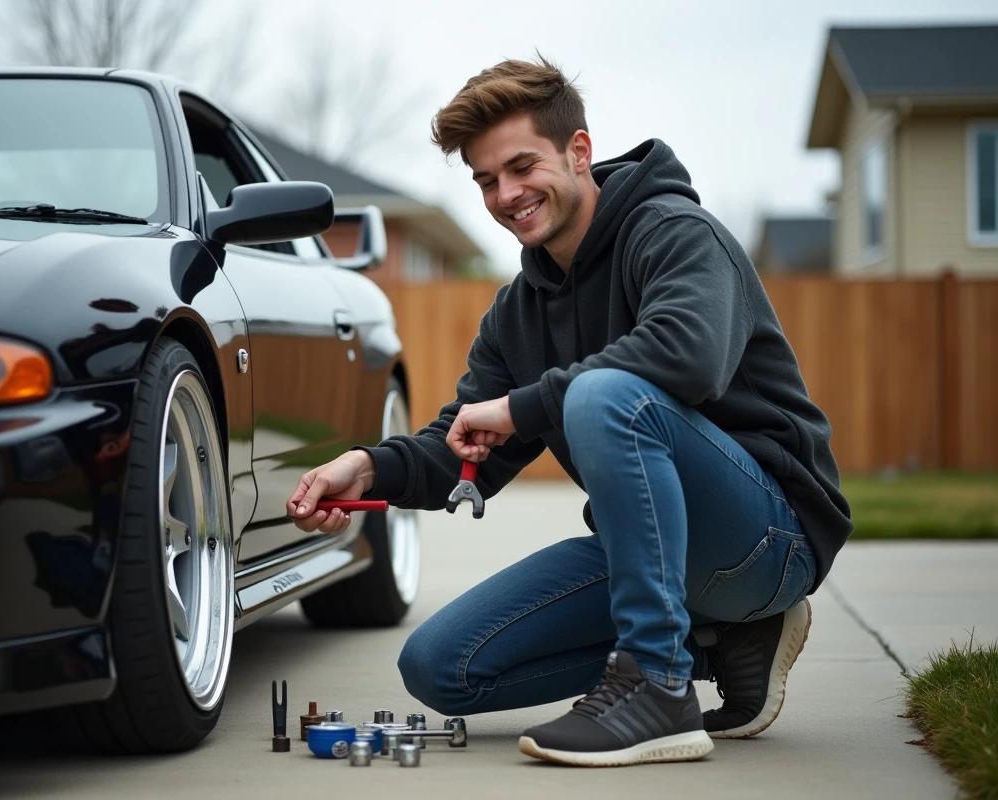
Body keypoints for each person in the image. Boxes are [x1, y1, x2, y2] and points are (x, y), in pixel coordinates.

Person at [286, 55, 852, 767]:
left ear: (578, 151)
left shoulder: (674, 231)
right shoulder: (518, 313)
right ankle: (720, 644)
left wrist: (525, 406)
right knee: (441, 666)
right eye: (486, 180)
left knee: (603, 392)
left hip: (769, 539)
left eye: (522, 166)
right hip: (655, 555)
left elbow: (688, 356)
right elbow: (466, 442)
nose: (506, 194)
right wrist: (368, 468)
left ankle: (657, 687)